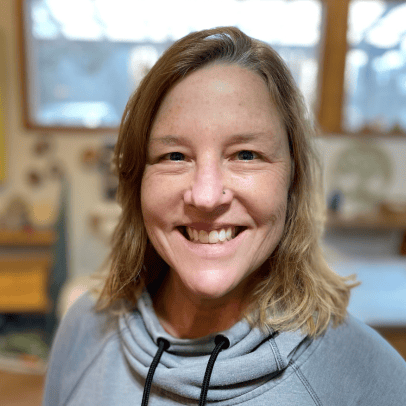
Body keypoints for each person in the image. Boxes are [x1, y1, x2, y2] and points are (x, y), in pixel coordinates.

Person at [43, 27, 406, 405]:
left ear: (292, 180)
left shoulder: (369, 379)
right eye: (175, 156)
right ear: (137, 183)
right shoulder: (83, 330)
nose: (205, 195)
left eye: (246, 155)